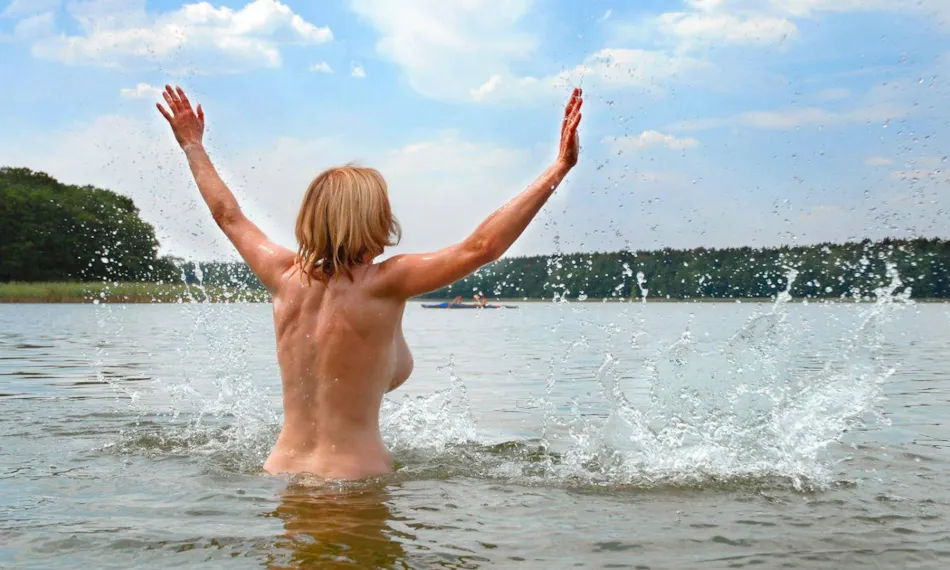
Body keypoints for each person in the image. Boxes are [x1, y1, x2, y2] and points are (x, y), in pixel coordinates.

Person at [156, 84, 582, 480]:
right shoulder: (386, 281)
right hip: (356, 478)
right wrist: (559, 168)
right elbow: (482, 247)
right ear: (377, 218)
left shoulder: (282, 276)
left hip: (281, 473)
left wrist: (193, 145)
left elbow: (228, 216)